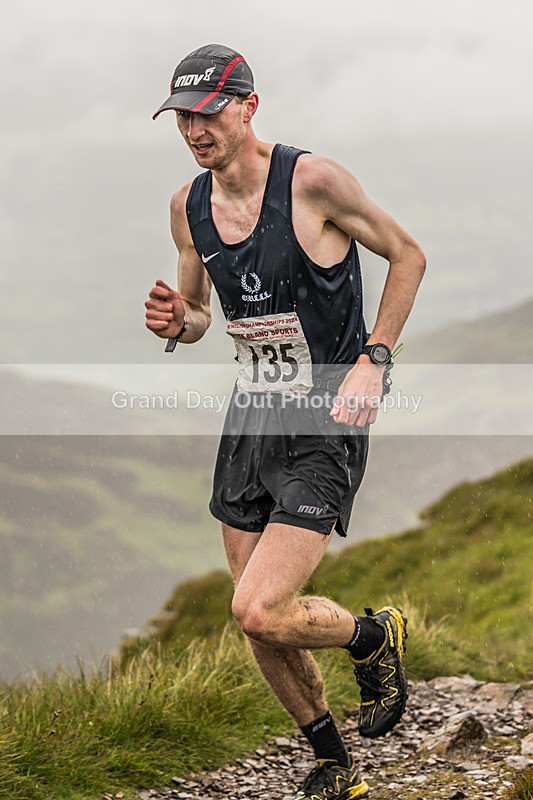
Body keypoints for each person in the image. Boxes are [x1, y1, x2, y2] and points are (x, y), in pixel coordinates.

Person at [145, 43, 426, 799]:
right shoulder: (187, 207)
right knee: (255, 620)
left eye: (207, 114)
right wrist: (178, 321)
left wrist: (374, 358)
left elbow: (407, 255)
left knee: (259, 607)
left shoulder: (313, 182)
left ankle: (371, 636)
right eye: (182, 118)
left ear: (248, 106)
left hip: (325, 416)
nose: (194, 131)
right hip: (252, 417)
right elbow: (198, 312)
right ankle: (333, 760)